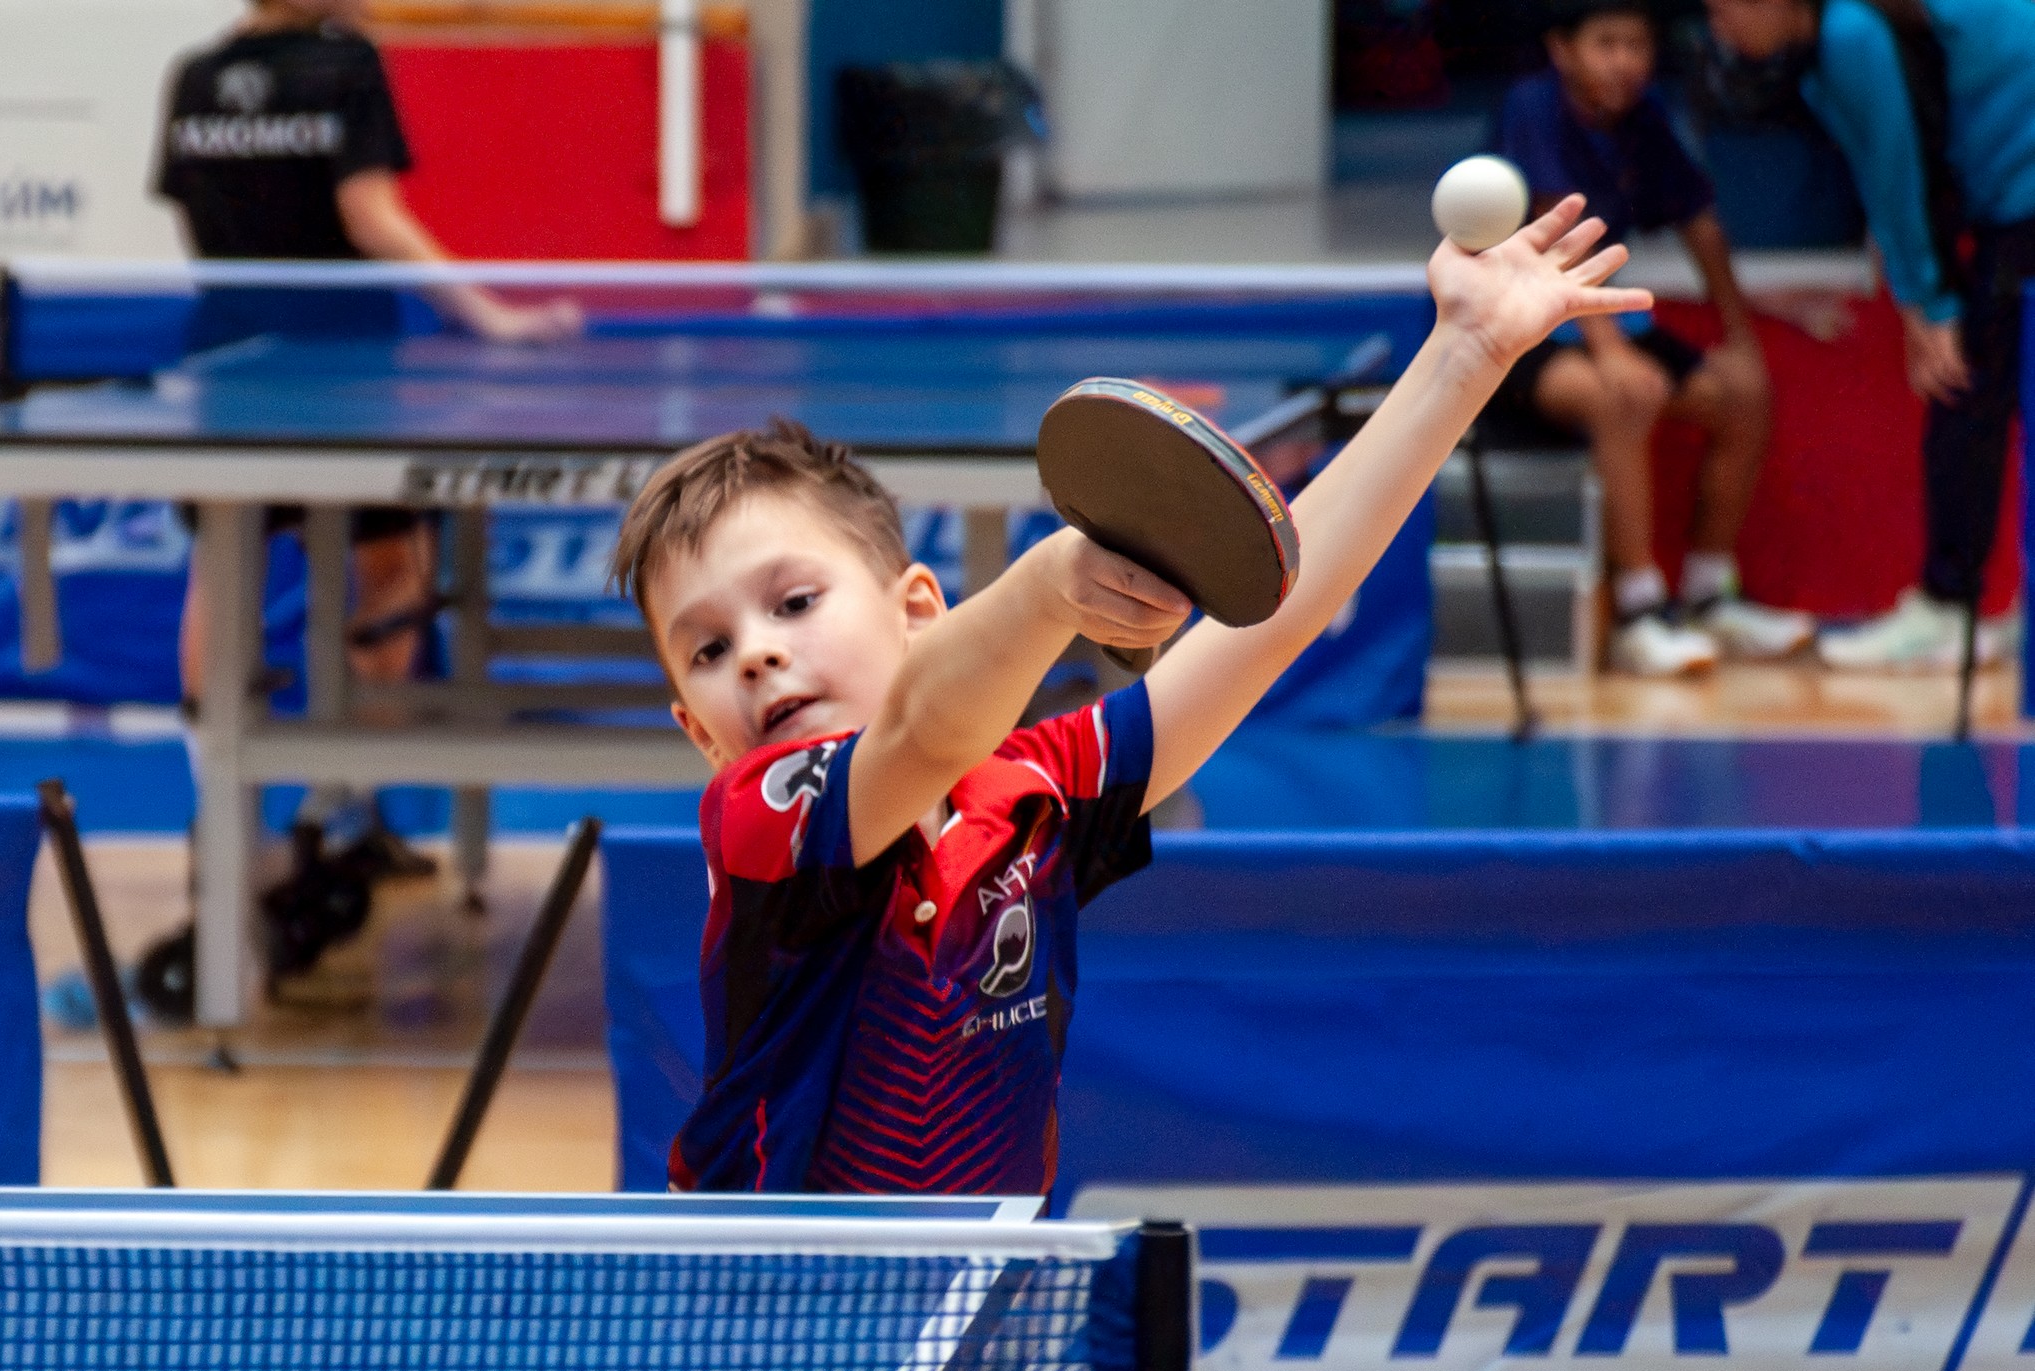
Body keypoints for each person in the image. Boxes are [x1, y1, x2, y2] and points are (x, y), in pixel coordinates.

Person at [615, 196, 1649, 1194]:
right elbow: (922, 732)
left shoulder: (1035, 794)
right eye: (707, 650)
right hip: (777, 1302)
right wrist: (1046, 589)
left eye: (794, 602)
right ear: (699, 733)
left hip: (979, 1304)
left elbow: (1271, 616)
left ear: (920, 608)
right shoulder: (761, 821)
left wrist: (1465, 355)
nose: (756, 655)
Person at [138, 0, 578, 1014]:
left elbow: (199, 228)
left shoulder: (193, 76)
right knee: (393, 570)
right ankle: (344, 804)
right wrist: (489, 318)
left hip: (232, 360)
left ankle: (220, 806)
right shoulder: (347, 66)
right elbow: (370, 215)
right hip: (343, 370)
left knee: (223, 567)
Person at [1485, 0, 1819, 676]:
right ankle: (1637, 614)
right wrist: (1612, 353)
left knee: (1742, 395)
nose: (1624, 62)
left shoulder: (1644, 115)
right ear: (1562, 50)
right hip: (1515, 333)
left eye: (1636, 45)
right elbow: (1557, 233)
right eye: (1606, 44)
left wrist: (1739, 335)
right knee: (1625, 395)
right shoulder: (1532, 107)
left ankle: (1707, 596)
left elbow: (1699, 220)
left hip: (1594, 319)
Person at [1705, 0, 2035, 671]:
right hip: (2009, 196)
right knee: (1978, 389)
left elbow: (1895, 172)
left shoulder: (1850, 34)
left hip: (2020, 195)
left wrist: (1928, 305)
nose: (1719, 28)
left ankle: (1950, 607)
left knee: (1964, 387)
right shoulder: (1841, 37)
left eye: (1723, 7)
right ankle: (1961, 605)